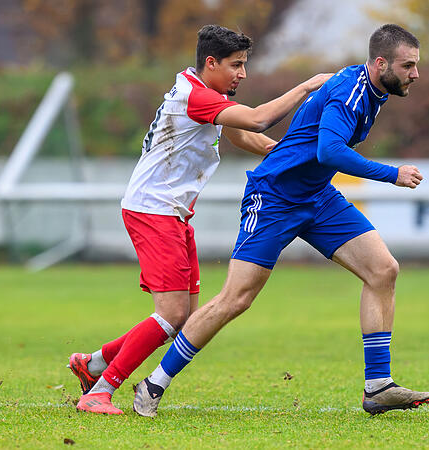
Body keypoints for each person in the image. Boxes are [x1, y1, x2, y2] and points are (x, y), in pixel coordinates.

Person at [132, 23, 429, 417]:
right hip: (274, 197)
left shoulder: (373, 88)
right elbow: (329, 152)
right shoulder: (352, 92)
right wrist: (391, 174)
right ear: (381, 64)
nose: (416, 74)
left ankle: (377, 386)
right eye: (408, 66)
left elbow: (316, 150)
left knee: (383, 270)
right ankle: (153, 384)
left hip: (317, 196)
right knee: (235, 299)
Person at [67, 24, 331, 415]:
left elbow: (246, 136)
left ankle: (94, 365)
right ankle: (100, 392)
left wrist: (288, 156)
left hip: (169, 211)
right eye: (236, 65)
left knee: (183, 316)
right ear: (211, 63)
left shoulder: (202, 94)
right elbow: (257, 120)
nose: (243, 73)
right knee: (172, 313)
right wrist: (306, 87)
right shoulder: (197, 96)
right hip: (153, 210)